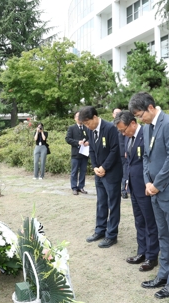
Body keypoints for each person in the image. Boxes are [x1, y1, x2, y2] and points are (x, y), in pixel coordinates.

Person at [129, 92, 169, 299]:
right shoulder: (147, 128)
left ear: (150, 108)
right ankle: (163, 274)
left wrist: (157, 184)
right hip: (154, 190)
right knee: (163, 235)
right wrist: (148, 181)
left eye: (140, 115)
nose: (139, 120)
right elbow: (145, 156)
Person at [114, 111, 159, 272]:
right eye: (120, 131)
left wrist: (150, 183)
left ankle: (152, 255)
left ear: (133, 123)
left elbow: (150, 161)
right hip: (133, 185)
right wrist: (126, 180)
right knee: (139, 220)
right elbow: (127, 161)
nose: (123, 133)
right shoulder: (128, 138)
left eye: (123, 129)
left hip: (145, 186)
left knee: (149, 221)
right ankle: (142, 251)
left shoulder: (146, 134)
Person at [79, 106, 123, 248]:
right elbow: (91, 149)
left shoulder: (110, 128)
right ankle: (100, 230)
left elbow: (115, 150)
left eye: (87, 123)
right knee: (101, 202)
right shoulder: (90, 131)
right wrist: (96, 167)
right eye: (84, 124)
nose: (87, 126)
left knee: (113, 203)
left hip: (112, 172)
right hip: (99, 173)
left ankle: (111, 235)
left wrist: (104, 167)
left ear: (95, 117)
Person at [65, 111, 89, 195]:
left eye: (81, 116)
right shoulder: (72, 128)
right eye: (78, 116)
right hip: (75, 153)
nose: (79, 118)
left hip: (84, 153)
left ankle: (81, 187)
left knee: (83, 171)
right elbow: (67, 139)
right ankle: (74, 187)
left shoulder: (86, 128)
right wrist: (77, 142)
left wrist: (88, 142)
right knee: (74, 171)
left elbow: (90, 138)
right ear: (75, 118)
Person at [113, 108, 128, 199]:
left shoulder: (124, 124)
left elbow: (127, 138)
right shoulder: (110, 126)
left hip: (123, 152)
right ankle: (117, 190)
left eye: (119, 113)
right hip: (114, 153)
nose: (117, 114)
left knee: (125, 172)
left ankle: (124, 191)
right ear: (113, 115)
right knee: (116, 173)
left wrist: (127, 149)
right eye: (116, 113)